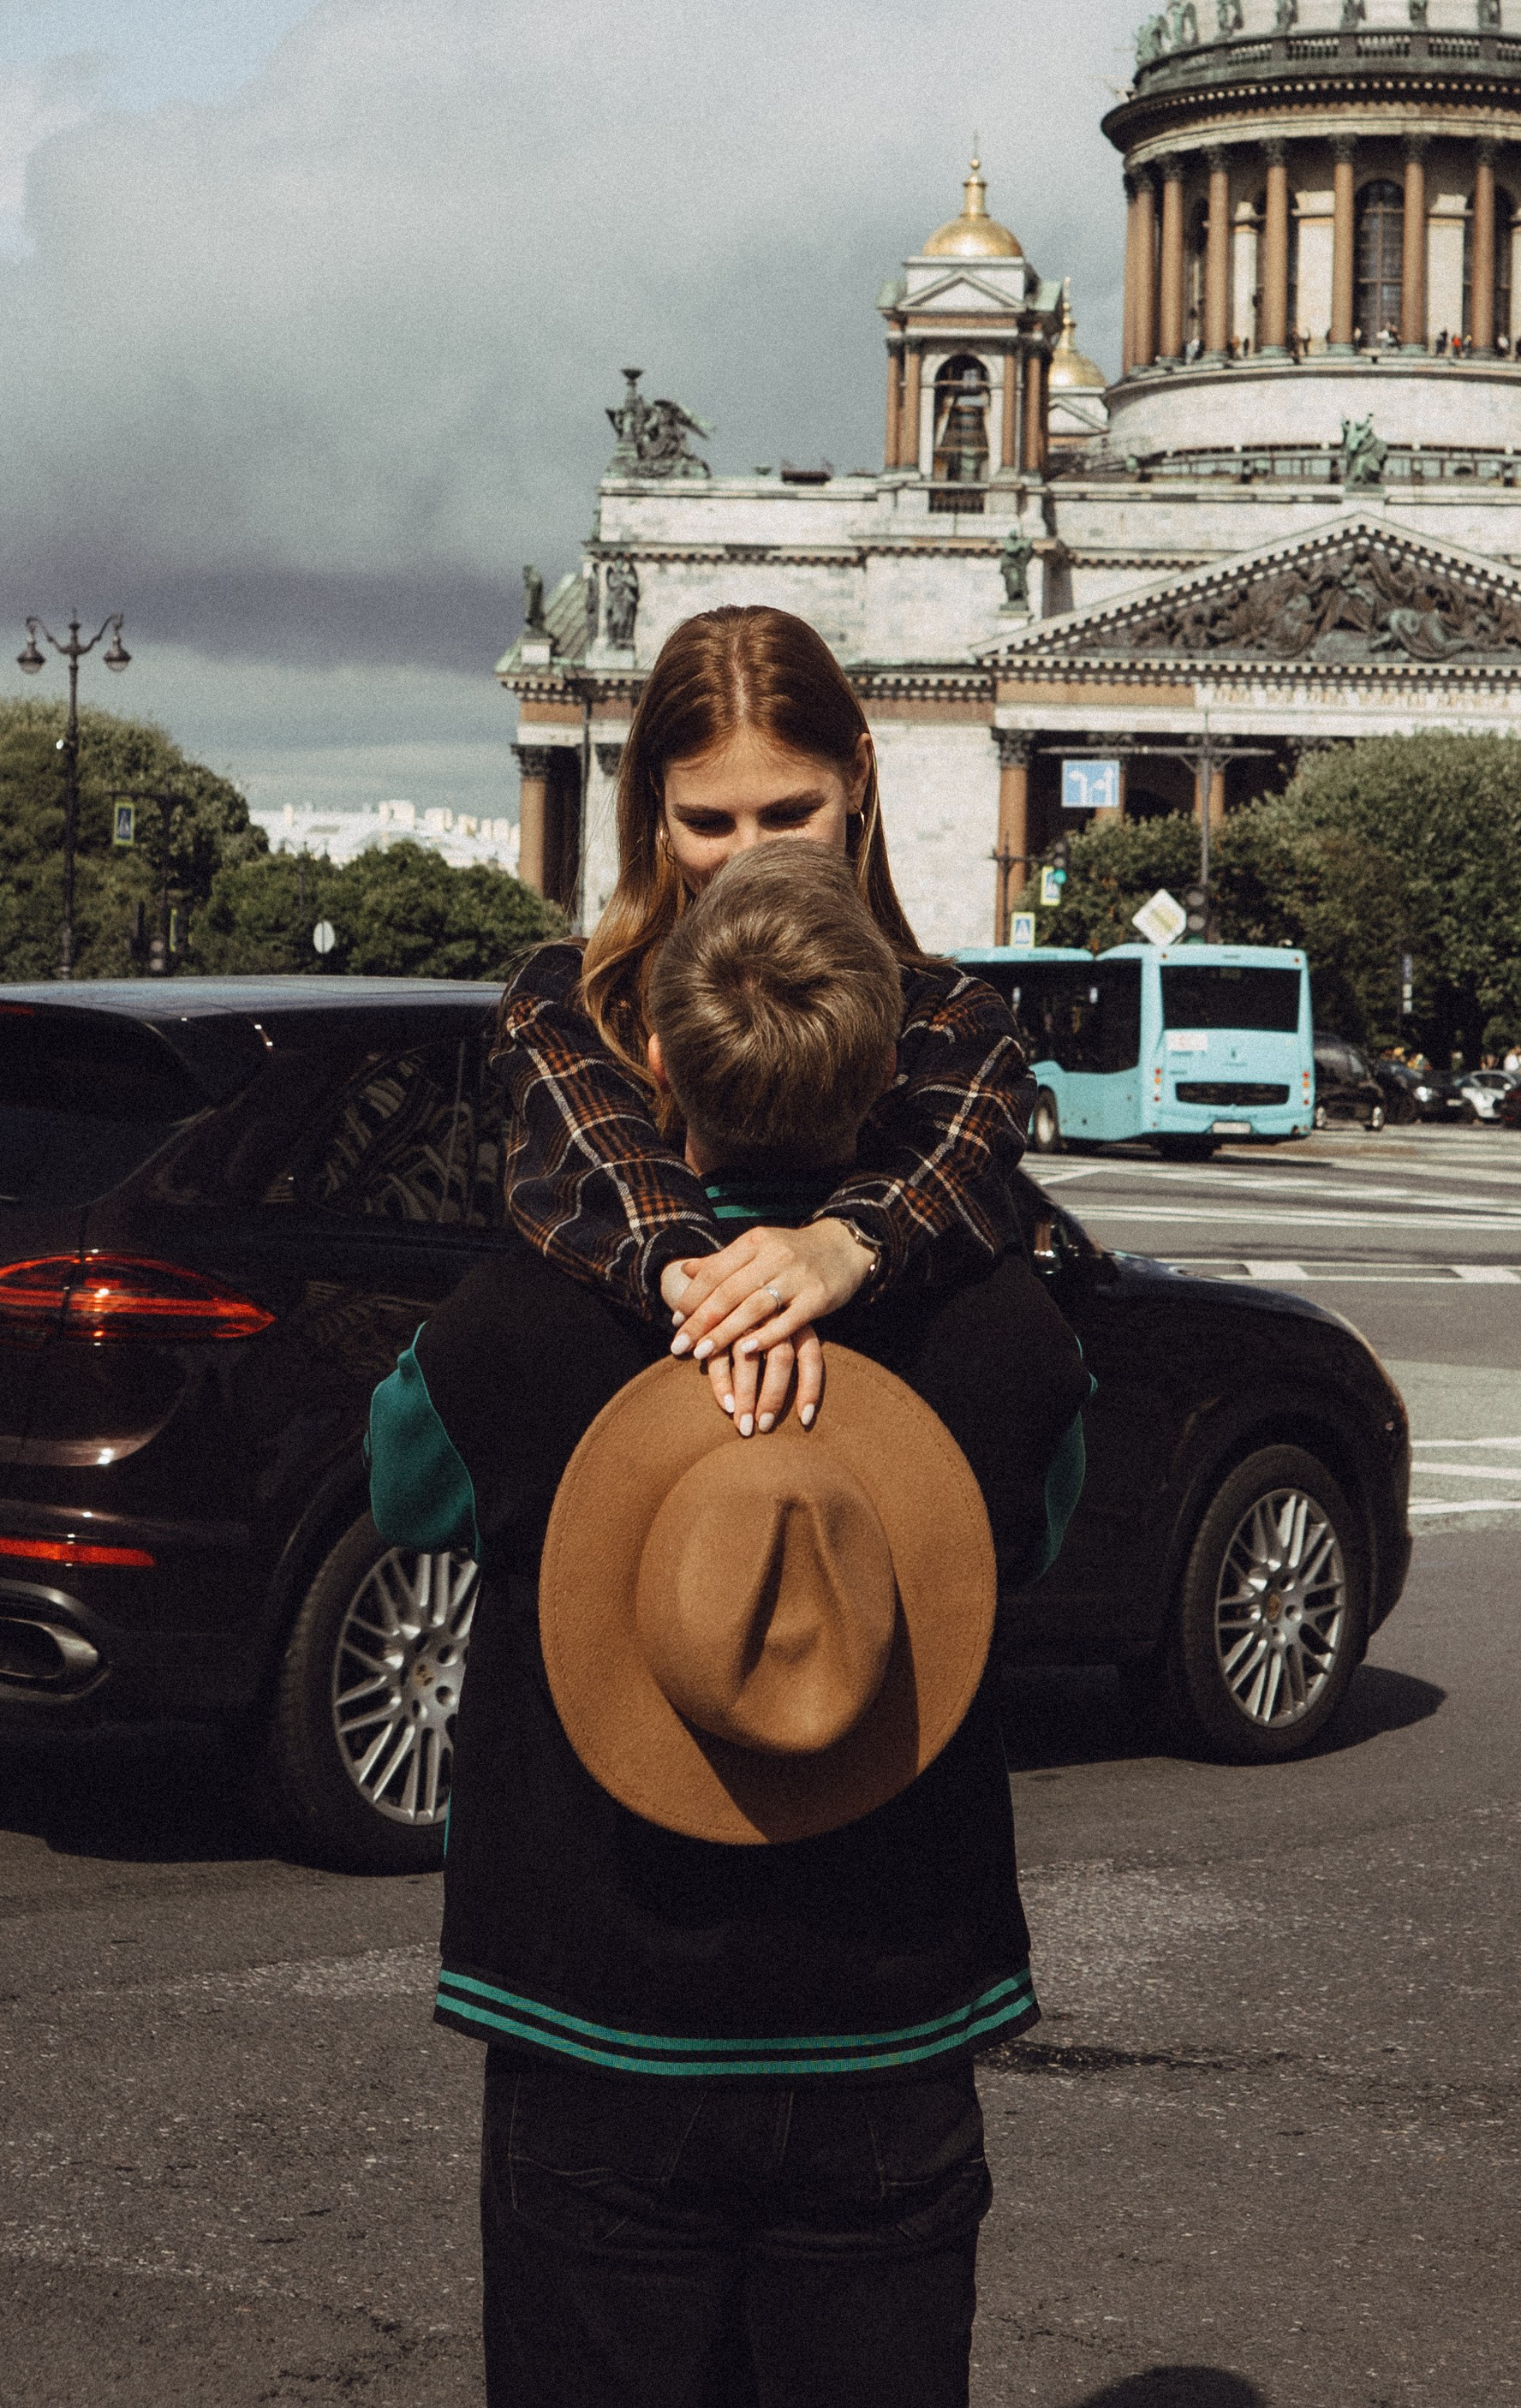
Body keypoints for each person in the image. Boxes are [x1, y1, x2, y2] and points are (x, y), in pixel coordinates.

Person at [370, 837, 1087, 2408]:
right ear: (891, 1068)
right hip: (891, 2016)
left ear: (652, 1059)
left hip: (594, 2009)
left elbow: (407, 1488)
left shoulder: (528, 1317)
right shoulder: (999, 1331)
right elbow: (1028, 1540)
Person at [496, 602, 1041, 1424]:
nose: (751, 859)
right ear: (656, 803)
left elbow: (962, 1151)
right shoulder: (574, 998)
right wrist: (734, 1291)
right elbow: (602, 1158)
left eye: (789, 814)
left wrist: (842, 1245)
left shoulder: (953, 1019)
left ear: (858, 777)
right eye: (708, 823)